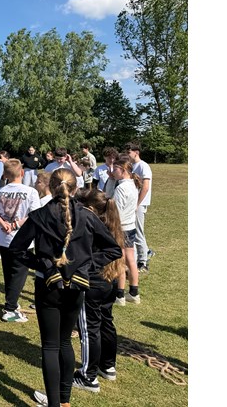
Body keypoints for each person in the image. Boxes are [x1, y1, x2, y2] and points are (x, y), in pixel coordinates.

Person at [7, 168, 121, 407]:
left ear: (50, 187)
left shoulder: (40, 215)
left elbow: (16, 249)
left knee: (51, 345)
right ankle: (63, 401)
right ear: (76, 188)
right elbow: (113, 249)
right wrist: (81, 266)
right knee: (64, 342)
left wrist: (46, 264)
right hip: (75, 287)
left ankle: (57, 403)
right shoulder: (86, 216)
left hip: (49, 286)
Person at [73, 188, 126, 393]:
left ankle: (88, 377)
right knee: (106, 321)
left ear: (90, 208)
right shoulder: (112, 222)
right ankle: (108, 366)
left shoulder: (90, 225)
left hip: (93, 282)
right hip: (110, 280)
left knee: (89, 328)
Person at [0, 159, 41, 323]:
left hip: (4, 238)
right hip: (23, 240)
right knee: (19, 274)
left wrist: (2, 223)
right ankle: (10, 309)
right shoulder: (31, 192)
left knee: (9, 272)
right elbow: (35, 214)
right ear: (22, 173)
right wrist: (15, 224)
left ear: (5, 175)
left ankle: (11, 301)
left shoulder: (0, 191)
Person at [110, 155, 141, 305]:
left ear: (123, 170)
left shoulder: (121, 187)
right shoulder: (133, 184)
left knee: (120, 260)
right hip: (130, 226)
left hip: (121, 228)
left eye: (115, 169)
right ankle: (134, 292)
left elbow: (117, 211)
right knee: (131, 259)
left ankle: (120, 295)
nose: (112, 172)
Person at [126, 142, 155, 272]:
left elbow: (145, 187)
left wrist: (137, 203)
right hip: (133, 203)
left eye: (129, 152)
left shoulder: (143, 166)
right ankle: (144, 253)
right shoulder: (131, 166)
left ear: (136, 152)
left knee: (138, 231)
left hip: (140, 203)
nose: (127, 154)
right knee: (134, 230)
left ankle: (143, 262)